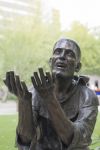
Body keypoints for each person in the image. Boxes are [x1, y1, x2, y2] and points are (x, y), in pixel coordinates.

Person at [4, 38, 99, 150]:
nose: (62, 56)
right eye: (58, 52)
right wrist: (24, 101)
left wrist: (49, 99)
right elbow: (25, 140)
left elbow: (79, 139)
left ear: (77, 67)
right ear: (51, 61)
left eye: (69, 54)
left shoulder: (87, 96)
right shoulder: (35, 92)